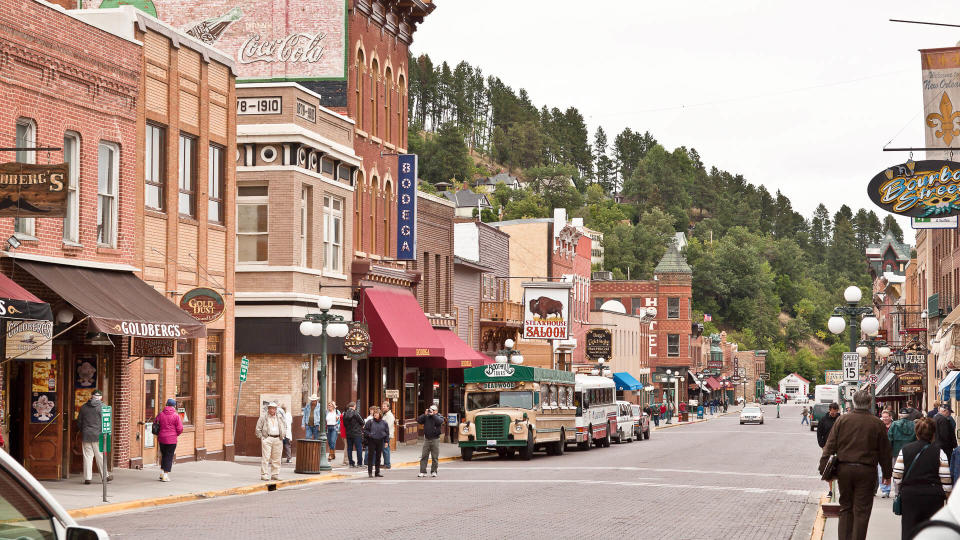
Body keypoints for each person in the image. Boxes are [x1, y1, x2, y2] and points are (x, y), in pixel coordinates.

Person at [819, 390, 892, 540]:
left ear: (853, 402)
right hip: (866, 470)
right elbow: (885, 451)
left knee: (845, 507)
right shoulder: (877, 423)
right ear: (869, 403)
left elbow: (830, 446)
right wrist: (887, 473)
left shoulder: (842, 420)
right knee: (862, 511)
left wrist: (824, 470)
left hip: (845, 469)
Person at [893, 416, 953, 538]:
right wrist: (948, 497)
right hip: (933, 497)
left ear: (917, 433)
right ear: (933, 434)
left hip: (910, 496)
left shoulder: (905, 450)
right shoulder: (939, 452)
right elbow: (946, 480)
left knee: (909, 530)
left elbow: (897, 477)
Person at [77, 390, 112, 485]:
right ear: (100, 397)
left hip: (86, 435)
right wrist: (107, 434)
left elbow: (79, 422)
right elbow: (107, 423)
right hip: (99, 435)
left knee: (87, 456)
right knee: (100, 456)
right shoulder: (104, 407)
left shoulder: (84, 407)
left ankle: (88, 478)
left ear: (92, 396)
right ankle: (105, 476)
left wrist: (83, 430)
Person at [255, 402, 286, 481]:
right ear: (268, 409)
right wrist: (262, 437)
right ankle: (264, 474)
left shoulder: (279, 417)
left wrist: (283, 434)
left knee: (277, 458)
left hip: (278, 439)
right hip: (267, 438)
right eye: (271, 408)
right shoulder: (263, 417)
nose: (272, 410)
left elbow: (284, 425)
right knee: (266, 457)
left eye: (274, 408)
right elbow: (258, 429)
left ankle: (275, 474)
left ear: (276, 409)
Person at [888, 408, 917, 492]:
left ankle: (897, 492)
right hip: (910, 453)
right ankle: (908, 490)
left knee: (897, 473)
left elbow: (889, 439)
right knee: (909, 472)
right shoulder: (914, 425)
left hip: (896, 452)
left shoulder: (894, 424)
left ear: (899, 415)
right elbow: (917, 438)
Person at [155, 398, 183, 482]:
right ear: (174, 406)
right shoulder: (175, 416)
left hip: (162, 438)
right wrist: (175, 434)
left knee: (163, 455)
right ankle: (165, 475)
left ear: (166, 405)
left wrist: (159, 434)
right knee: (169, 456)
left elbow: (155, 424)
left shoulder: (160, 414)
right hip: (171, 439)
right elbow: (180, 428)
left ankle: (161, 472)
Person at [818, 402, 841, 499]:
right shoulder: (823, 420)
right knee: (829, 469)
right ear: (829, 410)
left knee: (840, 468)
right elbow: (819, 433)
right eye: (832, 413)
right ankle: (831, 490)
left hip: (840, 447)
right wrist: (822, 445)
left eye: (835, 412)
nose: (834, 414)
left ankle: (841, 490)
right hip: (827, 448)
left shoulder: (841, 419)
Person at [418, 405, 445, 478]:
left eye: (432, 410)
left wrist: (433, 415)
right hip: (427, 439)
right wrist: (424, 414)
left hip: (435, 439)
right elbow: (419, 420)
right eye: (430, 409)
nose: (431, 411)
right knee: (424, 456)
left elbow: (440, 422)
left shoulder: (439, 416)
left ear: (436, 411)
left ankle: (434, 471)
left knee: (435, 457)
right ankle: (422, 472)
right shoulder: (426, 416)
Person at [363, 408, 389, 478]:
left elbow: (387, 433)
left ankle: (377, 472)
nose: (375, 414)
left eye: (377, 413)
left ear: (380, 414)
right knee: (370, 457)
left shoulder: (384, 423)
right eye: (374, 413)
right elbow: (365, 430)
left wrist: (386, 441)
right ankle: (370, 472)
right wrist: (369, 434)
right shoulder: (369, 422)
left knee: (378, 457)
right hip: (372, 441)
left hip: (380, 441)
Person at [342, 402, 365, 467]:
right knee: (359, 448)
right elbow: (362, 422)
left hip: (348, 433)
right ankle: (359, 463)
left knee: (349, 448)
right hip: (357, 433)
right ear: (354, 406)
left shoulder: (345, 414)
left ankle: (351, 463)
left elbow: (344, 424)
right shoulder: (356, 413)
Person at [878, 410, 894, 498]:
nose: (885, 419)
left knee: (891, 471)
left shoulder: (894, 425)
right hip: (882, 452)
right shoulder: (880, 426)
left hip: (892, 451)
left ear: (890, 417)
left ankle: (888, 488)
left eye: (886, 417)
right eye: (883, 417)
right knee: (881, 472)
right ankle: (885, 490)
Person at [381, 401, 395, 470]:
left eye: (384, 406)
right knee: (384, 449)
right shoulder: (385, 414)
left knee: (386, 449)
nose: (383, 407)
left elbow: (387, 427)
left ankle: (387, 464)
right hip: (384, 434)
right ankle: (386, 463)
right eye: (383, 406)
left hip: (386, 435)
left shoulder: (389, 415)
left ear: (388, 407)